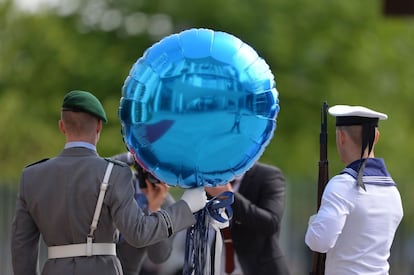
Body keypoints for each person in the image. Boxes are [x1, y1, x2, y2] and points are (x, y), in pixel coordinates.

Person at [11, 90, 206, 275]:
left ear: (62, 126)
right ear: (99, 126)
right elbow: (138, 233)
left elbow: (21, 247)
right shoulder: (114, 173)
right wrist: (186, 206)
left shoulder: (31, 176)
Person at [305, 104, 403, 275]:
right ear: (376, 137)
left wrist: (315, 219)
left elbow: (319, 242)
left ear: (341, 137)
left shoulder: (341, 185)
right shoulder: (393, 191)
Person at [205, 161, 290, 275]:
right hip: (215, 265)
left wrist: (229, 197)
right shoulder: (208, 178)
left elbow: (271, 223)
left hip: (257, 268)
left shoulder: (268, 175)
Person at [112, 152, 175, 275]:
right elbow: (93, 170)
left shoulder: (168, 206)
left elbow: (159, 256)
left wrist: (155, 210)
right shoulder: (119, 181)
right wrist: (131, 157)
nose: (156, 173)